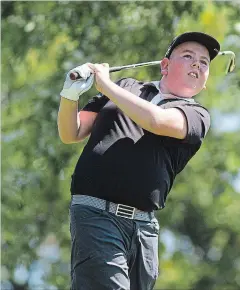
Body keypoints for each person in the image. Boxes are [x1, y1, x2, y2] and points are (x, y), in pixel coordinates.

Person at [57, 32, 220, 290]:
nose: (197, 64)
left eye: (204, 62)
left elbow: (157, 121)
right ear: (164, 65)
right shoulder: (124, 87)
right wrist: (69, 94)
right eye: (188, 56)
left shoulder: (197, 115)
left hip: (144, 228)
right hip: (96, 213)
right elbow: (71, 133)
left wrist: (106, 85)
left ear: (205, 81)